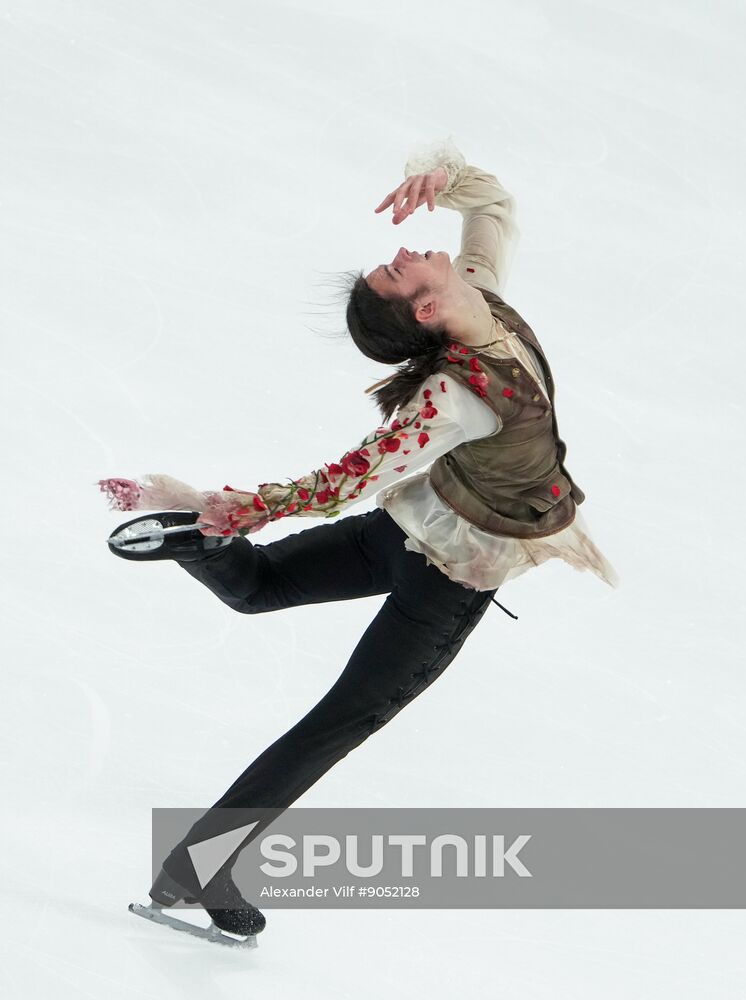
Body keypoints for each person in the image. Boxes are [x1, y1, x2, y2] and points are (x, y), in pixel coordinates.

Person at [98, 135, 618, 943]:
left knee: (261, 586)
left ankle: (200, 544)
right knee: (343, 718)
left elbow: (493, 211)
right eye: (398, 269)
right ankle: (200, 870)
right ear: (423, 309)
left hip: (408, 528)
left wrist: (446, 180)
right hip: (450, 575)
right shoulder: (456, 397)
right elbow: (354, 473)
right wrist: (255, 503)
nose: (407, 250)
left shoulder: (478, 300)